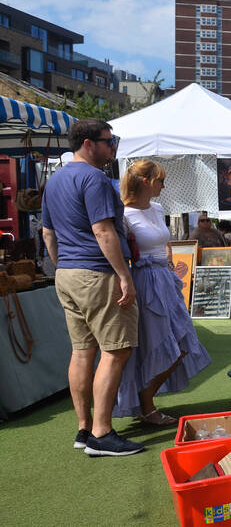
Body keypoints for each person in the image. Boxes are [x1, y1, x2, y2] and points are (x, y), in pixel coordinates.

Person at [41, 118, 143, 457]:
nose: (112, 147)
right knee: (116, 349)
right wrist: (123, 275)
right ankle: (101, 433)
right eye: (109, 140)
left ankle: (84, 429)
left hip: (68, 273)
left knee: (83, 351)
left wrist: (64, 266)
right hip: (97, 272)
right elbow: (104, 231)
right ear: (89, 144)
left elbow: (48, 234)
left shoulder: (55, 181)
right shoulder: (95, 179)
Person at [114, 160, 212, 425]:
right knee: (157, 344)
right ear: (146, 182)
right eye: (160, 180)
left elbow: (165, 243)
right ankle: (147, 406)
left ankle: (145, 400)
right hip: (144, 281)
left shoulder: (157, 209)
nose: (163, 185)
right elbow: (120, 252)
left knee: (181, 342)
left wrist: (168, 263)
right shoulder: (123, 214)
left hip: (165, 280)